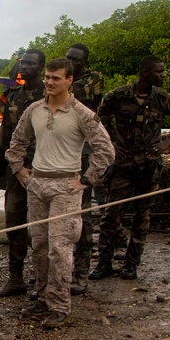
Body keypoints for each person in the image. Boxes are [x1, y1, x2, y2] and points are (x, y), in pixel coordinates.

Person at [6, 57, 114, 328]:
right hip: (37, 184)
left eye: (56, 78)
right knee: (40, 245)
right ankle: (42, 297)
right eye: (48, 77)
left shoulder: (82, 113)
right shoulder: (34, 110)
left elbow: (105, 150)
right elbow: (16, 142)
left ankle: (59, 304)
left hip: (66, 187)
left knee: (60, 248)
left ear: (69, 81)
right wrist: (20, 170)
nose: (50, 82)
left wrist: (86, 180)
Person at [89, 56, 170, 280]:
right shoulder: (117, 95)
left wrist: (169, 142)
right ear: (145, 73)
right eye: (160, 72)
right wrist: (112, 143)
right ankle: (103, 263)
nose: (163, 75)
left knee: (142, 216)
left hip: (148, 165)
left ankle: (131, 264)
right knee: (111, 214)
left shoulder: (163, 98)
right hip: (121, 165)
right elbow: (97, 120)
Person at [0, 49, 45, 297]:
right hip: (15, 169)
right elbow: (4, 137)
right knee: (14, 222)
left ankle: (45, 279)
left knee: (46, 228)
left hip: (45, 169)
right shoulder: (14, 97)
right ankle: (15, 277)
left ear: (41, 68)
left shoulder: (51, 95)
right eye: (23, 63)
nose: (25, 67)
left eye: (31, 64)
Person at [65, 43, 104, 296]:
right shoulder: (61, 81)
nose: (72, 62)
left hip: (84, 155)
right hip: (62, 152)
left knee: (82, 215)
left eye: (76, 60)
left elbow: (72, 92)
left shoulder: (93, 79)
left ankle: (81, 271)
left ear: (84, 62)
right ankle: (59, 271)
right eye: (68, 58)